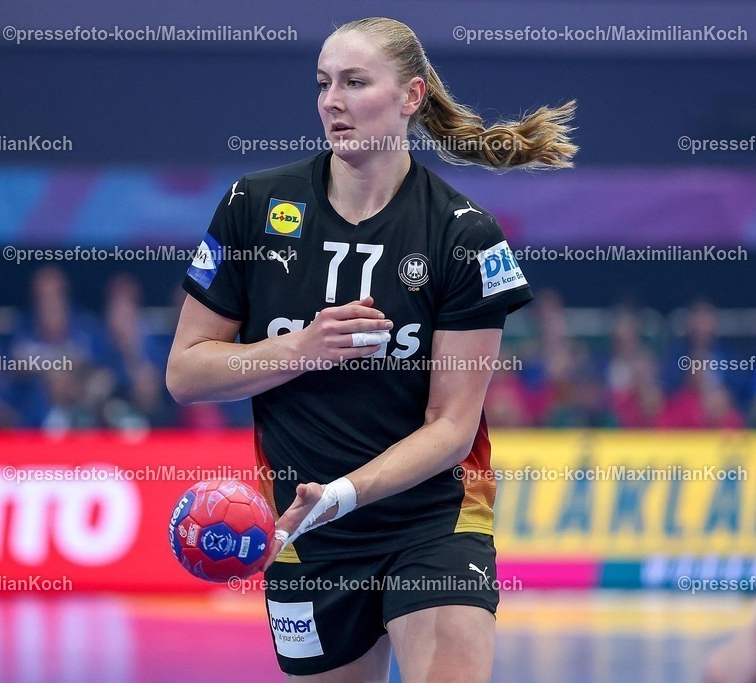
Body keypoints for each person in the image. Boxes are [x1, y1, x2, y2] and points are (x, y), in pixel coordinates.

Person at [166, 17, 575, 682]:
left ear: (411, 97)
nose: (333, 100)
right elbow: (186, 371)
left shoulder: (464, 234)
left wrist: (345, 493)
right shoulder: (254, 206)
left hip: (432, 520)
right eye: (324, 83)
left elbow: (451, 425)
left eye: (355, 82)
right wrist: (304, 345)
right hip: (307, 533)